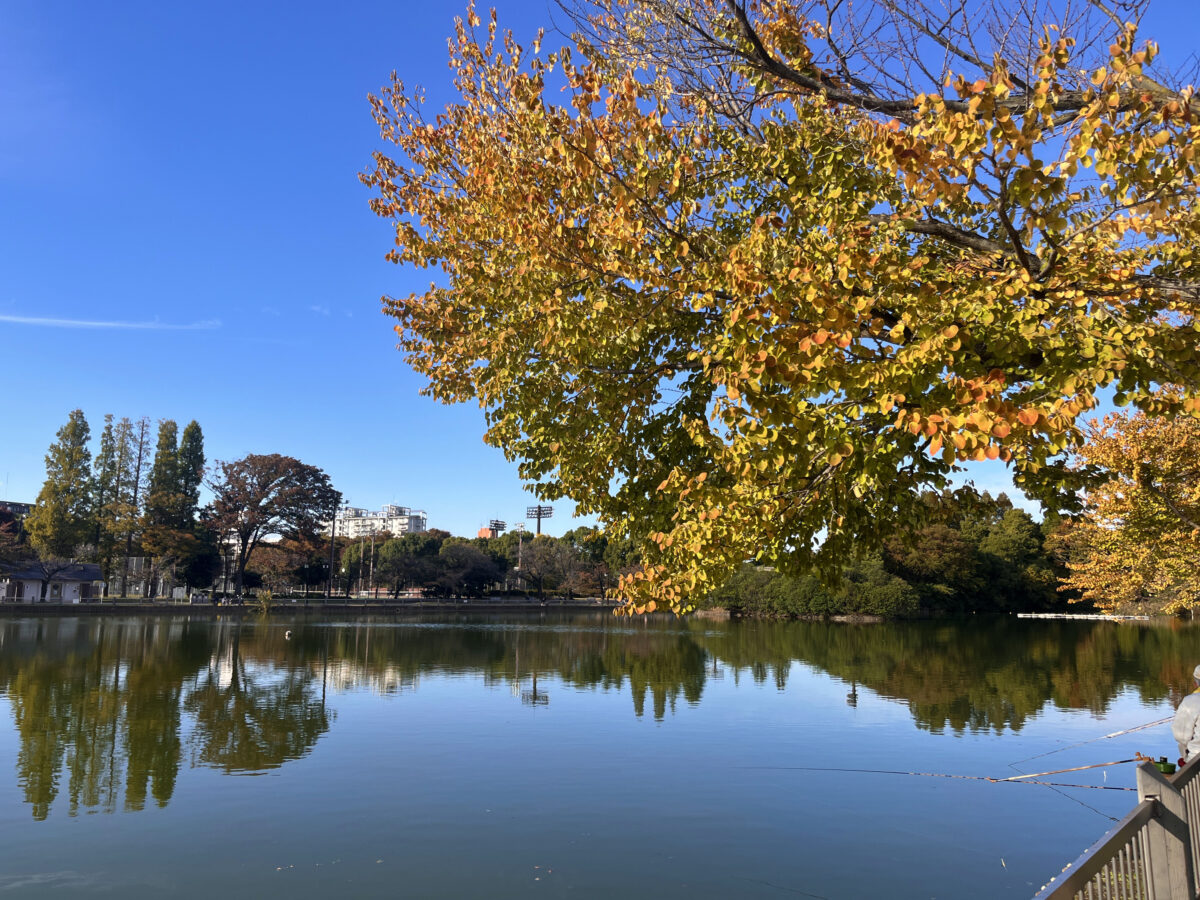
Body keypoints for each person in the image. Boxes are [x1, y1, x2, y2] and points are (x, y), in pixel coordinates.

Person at [1172, 664, 1200, 762]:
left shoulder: (1190, 701)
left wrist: (1185, 756)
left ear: (1195, 684)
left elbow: (1181, 736)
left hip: (1196, 763)